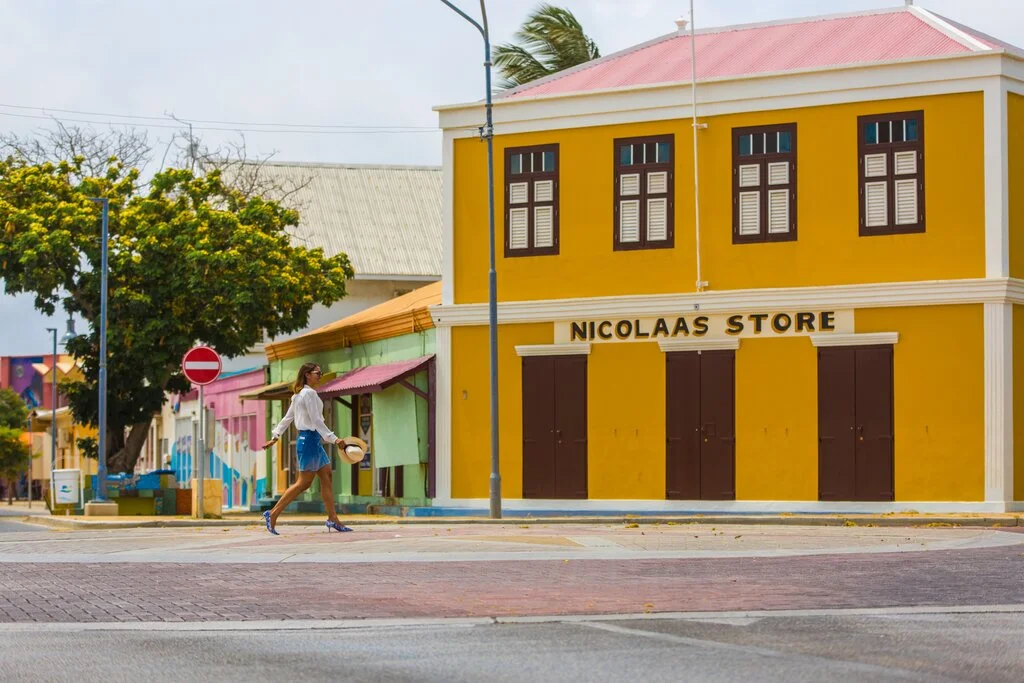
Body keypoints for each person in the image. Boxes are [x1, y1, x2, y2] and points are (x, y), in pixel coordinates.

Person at [260, 362, 352, 535]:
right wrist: (334, 439)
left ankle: (333, 518)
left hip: (313, 440)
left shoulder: (300, 394)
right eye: (318, 373)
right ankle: (272, 514)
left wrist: (275, 436)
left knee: (326, 475)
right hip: (309, 440)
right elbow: (317, 420)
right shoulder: (307, 394)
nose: (320, 375)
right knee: (304, 483)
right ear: (307, 375)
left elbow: (287, 418)